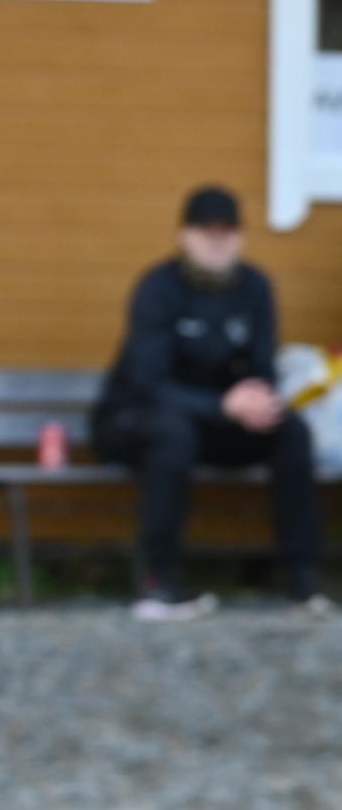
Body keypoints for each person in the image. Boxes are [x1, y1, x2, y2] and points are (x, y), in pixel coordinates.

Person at [92, 185, 327, 621]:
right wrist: (222, 405)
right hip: (134, 420)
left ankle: (303, 581)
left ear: (240, 237)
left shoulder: (255, 287)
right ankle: (158, 582)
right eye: (206, 231)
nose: (217, 241)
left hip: (215, 421)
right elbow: (147, 382)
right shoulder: (158, 288)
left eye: (227, 231)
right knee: (172, 433)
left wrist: (257, 399)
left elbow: (262, 366)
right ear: (184, 236)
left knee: (290, 430)